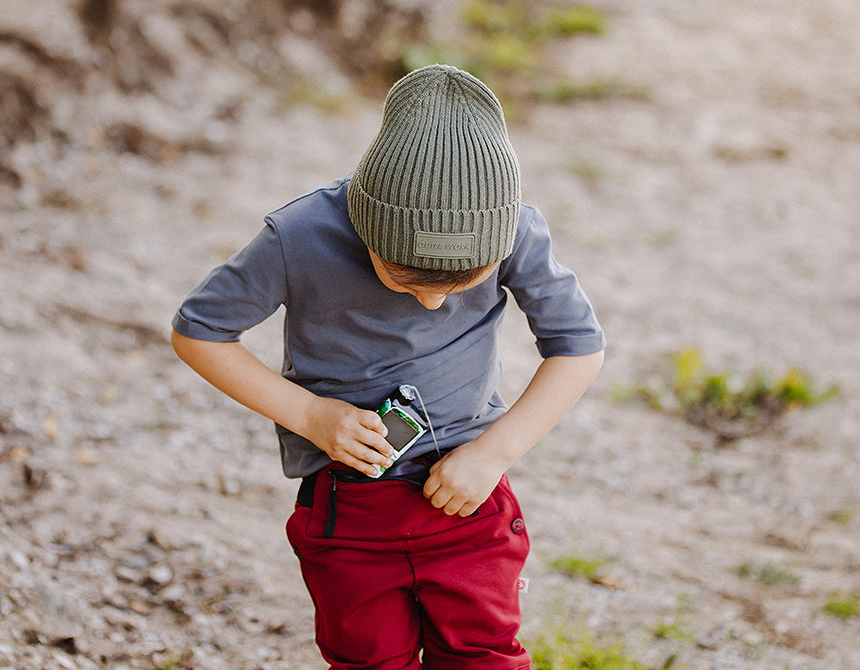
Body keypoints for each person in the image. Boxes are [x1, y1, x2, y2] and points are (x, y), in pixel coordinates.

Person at [171, 64, 605, 669]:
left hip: (469, 497)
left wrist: (494, 454)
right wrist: (311, 415)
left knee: (482, 654)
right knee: (366, 659)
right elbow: (199, 331)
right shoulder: (300, 235)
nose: (432, 300)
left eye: (462, 284)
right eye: (405, 279)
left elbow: (579, 348)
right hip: (348, 507)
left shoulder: (518, 234)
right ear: (364, 225)